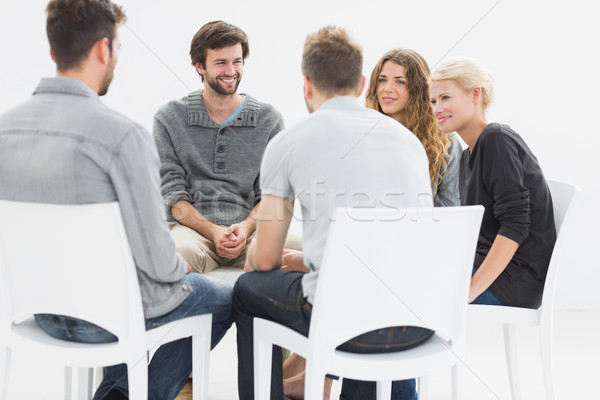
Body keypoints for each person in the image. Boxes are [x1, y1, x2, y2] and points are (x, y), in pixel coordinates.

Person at [0, 1, 233, 399]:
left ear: (54, 51)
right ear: (104, 50)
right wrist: (180, 266)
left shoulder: (6, 130)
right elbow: (160, 263)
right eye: (119, 48)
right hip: (106, 318)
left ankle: (116, 391)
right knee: (227, 296)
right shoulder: (121, 136)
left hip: (37, 311)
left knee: (118, 280)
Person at [233, 26, 435, 400]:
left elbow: (264, 262)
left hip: (343, 318)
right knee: (363, 299)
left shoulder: (287, 143)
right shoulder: (409, 143)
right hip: (416, 318)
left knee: (247, 289)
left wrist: (285, 261)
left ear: (307, 85)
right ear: (362, 85)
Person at [153, 20, 299, 275]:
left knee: (311, 253)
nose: (231, 70)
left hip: (253, 231)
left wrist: (244, 228)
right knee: (174, 256)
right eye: (221, 63)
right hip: (192, 233)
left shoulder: (269, 119)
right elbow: (173, 197)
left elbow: (271, 195)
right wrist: (214, 232)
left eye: (237, 61)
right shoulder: (169, 118)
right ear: (199, 66)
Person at [430, 58, 556, 308]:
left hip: (513, 282)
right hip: (491, 270)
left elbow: (516, 224)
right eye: (433, 101)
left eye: (445, 98)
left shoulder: (496, 139)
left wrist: (469, 291)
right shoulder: (469, 155)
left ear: (475, 94)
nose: (436, 109)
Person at [365, 48, 461, 207]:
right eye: (382, 80)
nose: (387, 88)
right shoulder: (365, 133)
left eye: (399, 81)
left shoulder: (445, 141)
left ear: (418, 89)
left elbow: (451, 206)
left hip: (424, 228)